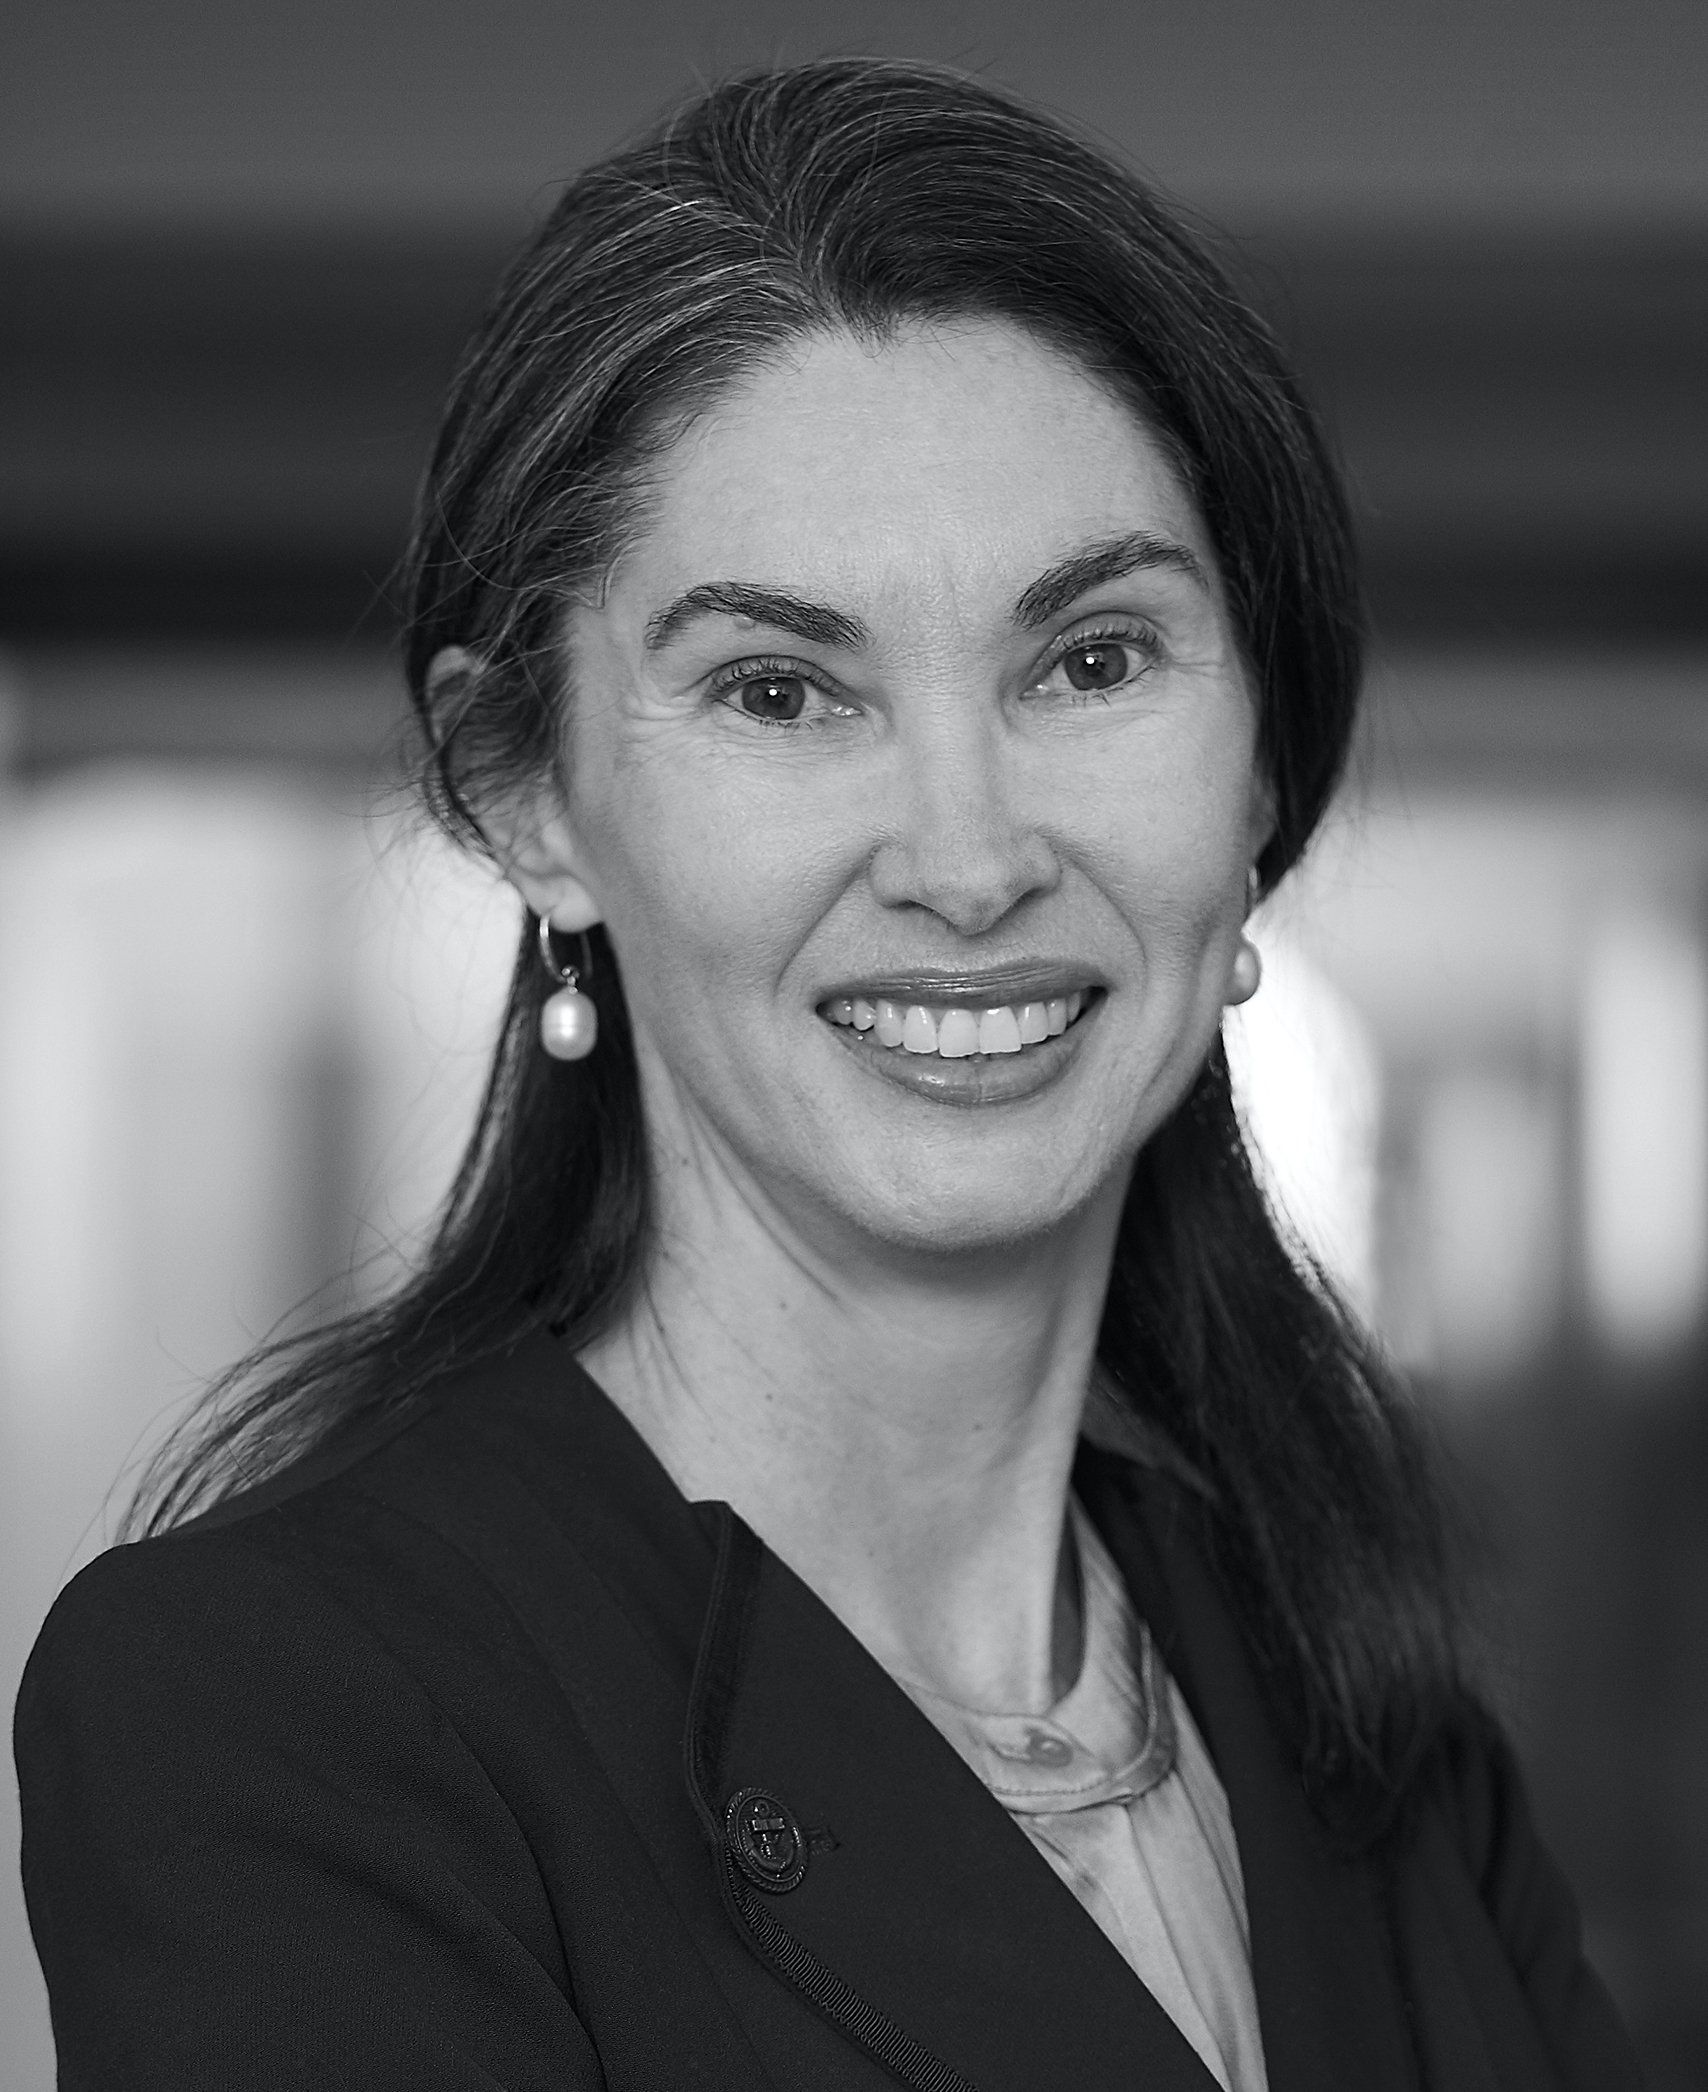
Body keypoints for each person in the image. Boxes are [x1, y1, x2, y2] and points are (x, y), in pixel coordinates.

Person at [15, 58, 1640, 2092]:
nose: (965, 857)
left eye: (1090, 660)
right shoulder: (289, 1703)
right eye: (780, 690)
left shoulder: (1352, 1703)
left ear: (1259, 784)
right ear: (529, 796)